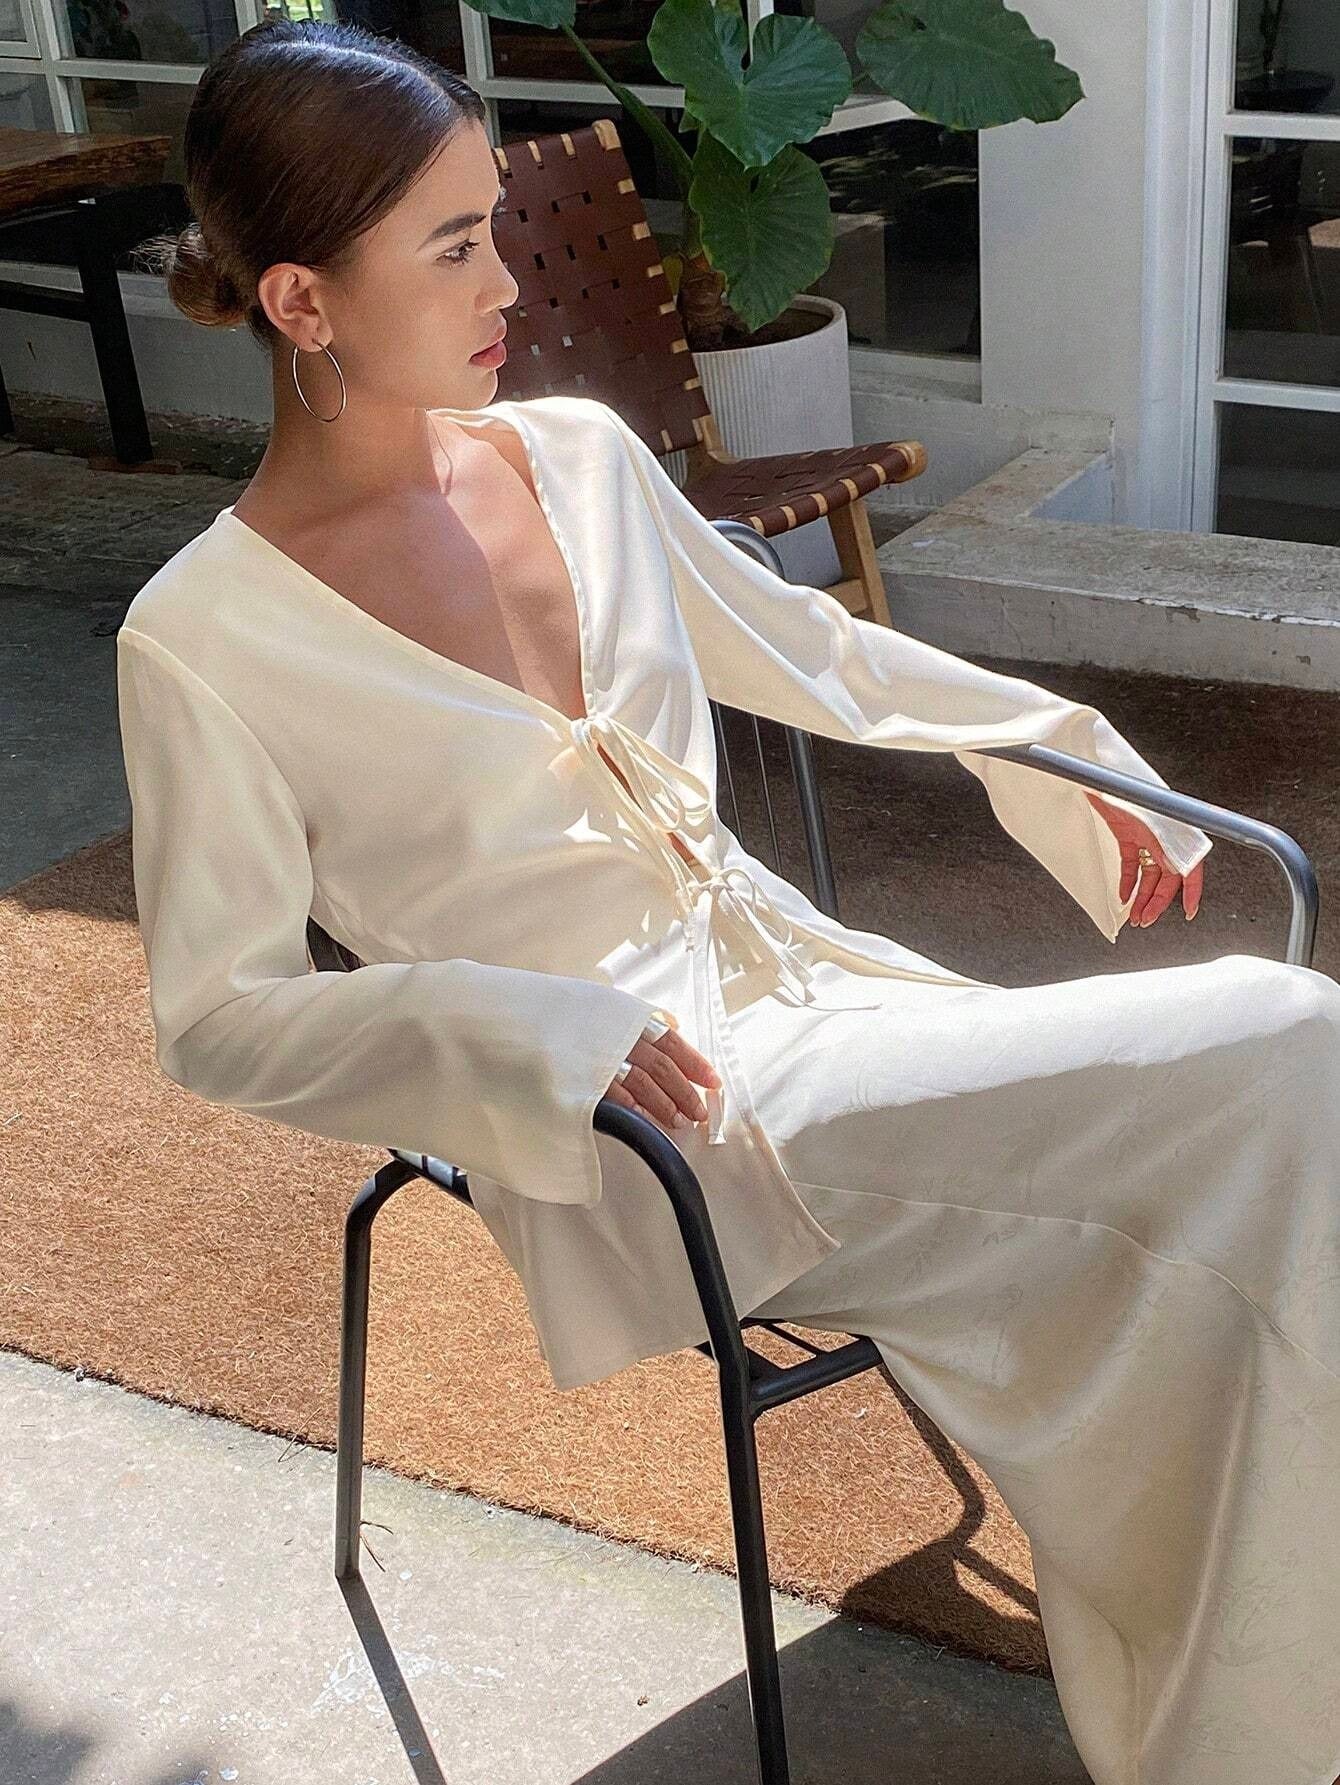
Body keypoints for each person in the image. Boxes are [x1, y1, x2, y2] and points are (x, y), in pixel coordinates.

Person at [119, 19, 1340, 1785]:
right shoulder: (204, 639)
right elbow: (217, 1014)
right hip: (651, 1136)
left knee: (1252, 1195)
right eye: (453, 245)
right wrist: (532, 1030)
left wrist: (1057, 749)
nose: (507, 284)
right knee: (1285, 1047)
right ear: (301, 303)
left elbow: (812, 652)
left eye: (495, 222)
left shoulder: (578, 460)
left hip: (833, 1007)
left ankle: (1254, 1699)